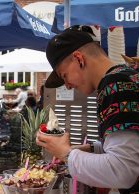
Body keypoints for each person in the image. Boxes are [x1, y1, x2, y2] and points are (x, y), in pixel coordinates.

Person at [36, 25, 139, 193]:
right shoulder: (128, 75)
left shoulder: (115, 84)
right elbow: (132, 147)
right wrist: (90, 149)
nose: (67, 86)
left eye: (64, 76)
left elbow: (124, 171)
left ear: (79, 58)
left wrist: (66, 154)